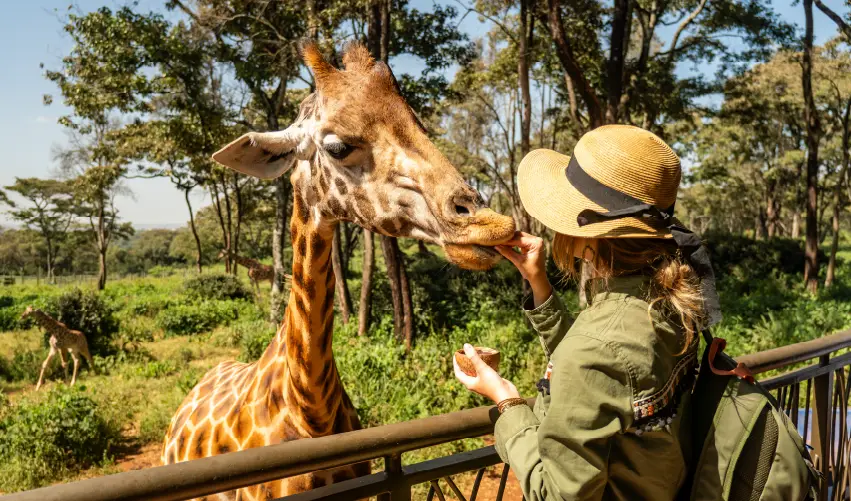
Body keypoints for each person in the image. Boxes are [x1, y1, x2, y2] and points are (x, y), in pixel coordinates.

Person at [454, 124, 722, 500]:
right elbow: (606, 381)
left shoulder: (599, 344)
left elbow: (553, 492)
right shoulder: (671, 299)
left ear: (588, 230)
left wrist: (507, 402)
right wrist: (540, 286)